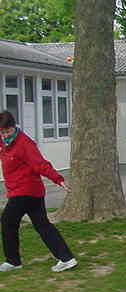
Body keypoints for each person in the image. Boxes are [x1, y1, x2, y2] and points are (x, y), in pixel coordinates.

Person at [0, 111, 77, 273]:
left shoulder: (25, 144)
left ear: (14, 127)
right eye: (2, 132)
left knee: (7, 221)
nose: (6, 135)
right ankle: (67, 258)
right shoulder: (4, 142)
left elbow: (40, 164)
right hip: (30, 192)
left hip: (25, 190)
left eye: (8, 131)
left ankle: (13, 261)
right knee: (42, 225)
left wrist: (58, 179)